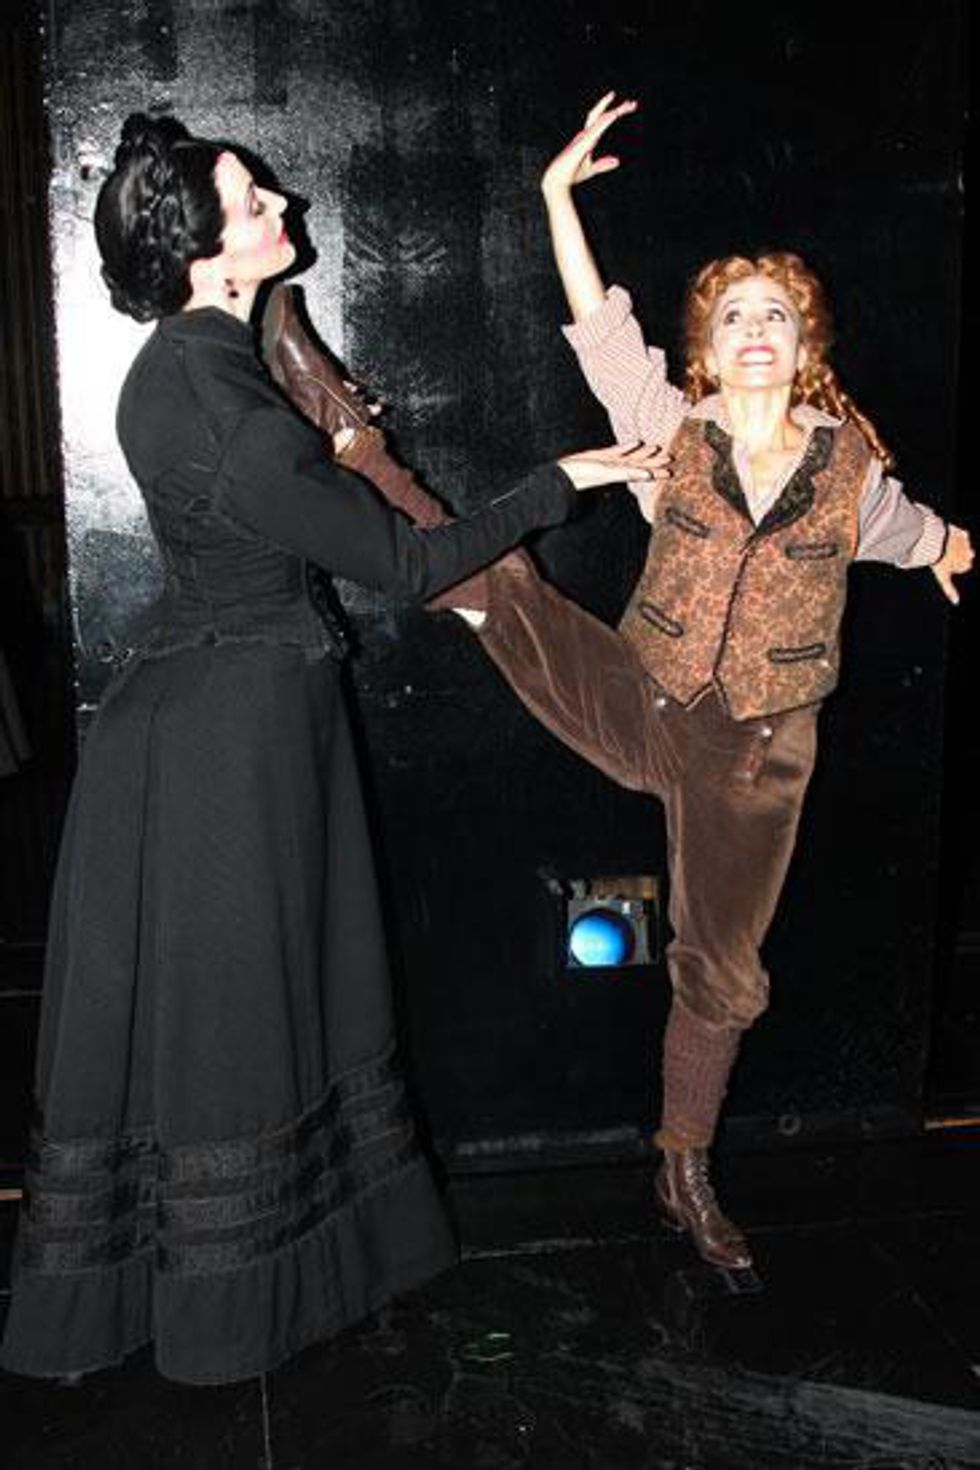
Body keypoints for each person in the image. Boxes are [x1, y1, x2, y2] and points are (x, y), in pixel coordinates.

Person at [266, 95, 974, 1276]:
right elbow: (597, 325)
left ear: (804, 342)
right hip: (640, 691)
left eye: (774, 313)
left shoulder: (851, 474)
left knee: (721, 969)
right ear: (709, 346)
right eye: (734, 314)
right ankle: (355, 441)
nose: (754, 328)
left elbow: (919, 536)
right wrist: (554, 196)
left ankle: (679, 1167)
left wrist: (950, 548)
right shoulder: (667, 428)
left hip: (755, 749)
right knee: (494, 586)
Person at [0, 112, 655, 1386]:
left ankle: (207, 1291)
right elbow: (406, 564)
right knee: (241, 1024)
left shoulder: (183, 364)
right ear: (206, 258)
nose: (278, 205)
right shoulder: (228, 408)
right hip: (232, 748)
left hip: (210, 715)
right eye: (252, 203)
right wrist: (558, 480)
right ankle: (228, 1312)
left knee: (233, 1013)